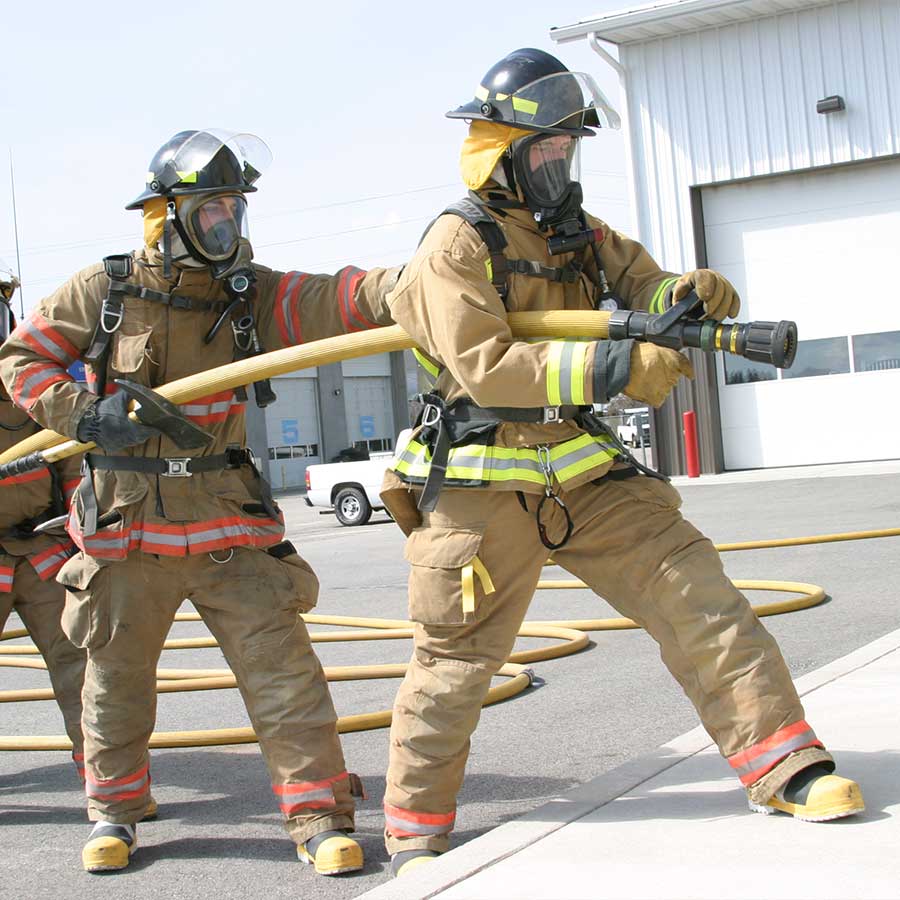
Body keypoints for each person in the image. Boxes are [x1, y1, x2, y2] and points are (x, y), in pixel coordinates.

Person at [378, 49, 863, 877]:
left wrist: (694, 295)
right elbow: (485, 366)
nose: (559, 168)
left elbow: (655, 293)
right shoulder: (454, 246)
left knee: (699, 598)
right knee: (454, 665)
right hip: (478, 488)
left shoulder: (589, 240)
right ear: (501, 152)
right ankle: (414, 822)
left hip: (585, 479)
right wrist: (615, 368)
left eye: (569, 152)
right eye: (545, 153)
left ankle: (788, 764)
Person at [0, 130, 401, 875]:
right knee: (113, 686)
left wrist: (418, 285)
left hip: (228, 526)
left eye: (233, 208)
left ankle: (318, 817)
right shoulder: (106, 291)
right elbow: (23, 358)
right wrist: (83, 417)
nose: (227, 224)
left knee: (286, 677)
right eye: (211, 208)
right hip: (128, 533)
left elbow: (340, 298)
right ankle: (114, 816)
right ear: (168, 212)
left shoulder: (252, 294)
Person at [0, 263, 86, 781]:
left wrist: (82, 537)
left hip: (39, 549)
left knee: (80, 664)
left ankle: (102, 774)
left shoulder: (29, 383)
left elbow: (71, 460)